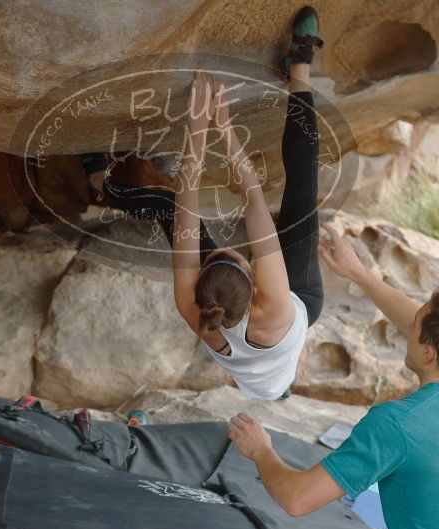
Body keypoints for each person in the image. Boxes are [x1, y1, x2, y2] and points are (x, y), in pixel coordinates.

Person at [81, 6, 326, 401]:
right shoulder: (279, 304)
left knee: (166, 208)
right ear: (254, 282)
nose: (228, 247)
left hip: (250, 361)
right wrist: (224, 130)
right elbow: (253, 195)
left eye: (216, 255)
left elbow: (185, 199)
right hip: (300, 308)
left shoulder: (191, 306)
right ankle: (299, 66)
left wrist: (196, 127)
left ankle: (100, 183)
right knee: (303, 185)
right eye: (237, 254)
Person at [226, 223, 439, 529]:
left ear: (430, 353)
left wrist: (260, 450)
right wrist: (358, 272)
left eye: (415, 325)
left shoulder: (396, 425)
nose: (407, 327)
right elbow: (433, 331)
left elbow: (297, 499)